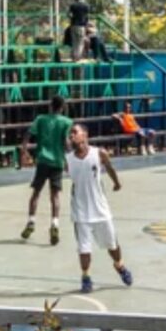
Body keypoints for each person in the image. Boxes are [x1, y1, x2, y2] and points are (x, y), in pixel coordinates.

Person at [64, 125, 135, 294]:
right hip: (81, 212)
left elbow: (109, 168)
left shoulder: (99, 153)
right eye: (70, 133)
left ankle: (120, 266)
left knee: (112, 245)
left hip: (100, 210)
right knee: (84, 249)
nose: (72, 135)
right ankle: (86, 277)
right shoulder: (68, 159)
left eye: (75, 132)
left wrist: (116, 183)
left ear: (85, 134)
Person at [20, 95, 73, 242]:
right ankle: (55, 223)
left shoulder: (41, 119)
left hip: (43, 160)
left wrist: (24, 150)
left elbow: (28, 133)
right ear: (62, 107)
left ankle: (31, 221)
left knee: (36, 192)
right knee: (55, 195)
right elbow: (66, 142)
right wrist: (70, 159)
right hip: (57, 162)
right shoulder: (66, 122)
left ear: (51, 105)